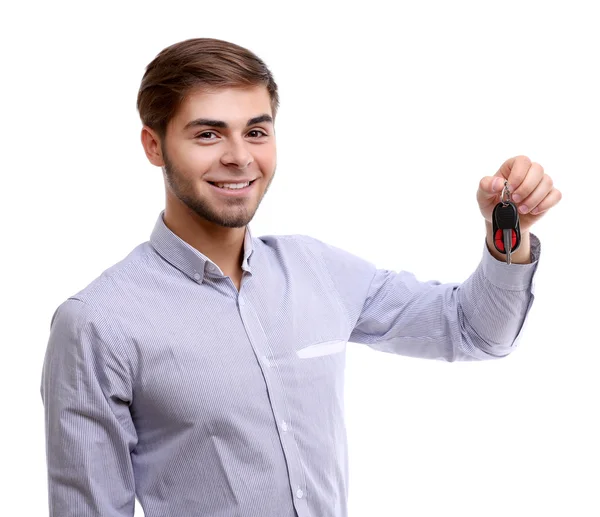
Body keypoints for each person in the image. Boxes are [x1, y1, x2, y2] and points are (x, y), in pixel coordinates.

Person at [39, 37, 561, 517]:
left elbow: (473, 333)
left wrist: (503, 236)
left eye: (256, 131)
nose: (240, 157)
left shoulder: (318, 270)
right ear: (154, 146)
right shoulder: (97, 323)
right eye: (207, 133)